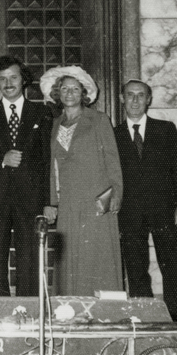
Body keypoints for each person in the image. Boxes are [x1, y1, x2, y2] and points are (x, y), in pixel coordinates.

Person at [0, 56, 53, 297]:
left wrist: (49, 201)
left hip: (32, 197)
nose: (8, 83)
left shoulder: (42, 112)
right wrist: (0, 159)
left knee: (30, 257)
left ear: (24, 80)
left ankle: (28, 313)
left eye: (13, 77)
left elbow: (49, 159)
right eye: (2, 78)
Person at [40, 66, 122, 296]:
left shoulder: (98, 119)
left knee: (98, 258)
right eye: (64, 88)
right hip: (68, 202)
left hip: (97, 198)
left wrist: (115, 193)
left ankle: (105, 315)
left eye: (75, 89)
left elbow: (112, 159)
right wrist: (53, 202)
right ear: (57, 93)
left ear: (84, 93)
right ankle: (71, 311)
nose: (69, 93)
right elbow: (53, 166)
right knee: (69, 258)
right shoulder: (55, 124)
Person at [113, 79, 177, 320]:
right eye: (130, 95)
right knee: (136, 269)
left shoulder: (165, 129)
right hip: (129, 211)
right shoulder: (112, 134)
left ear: (149, 99)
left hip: (164, 209)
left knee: (172, 268)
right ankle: (144, 321)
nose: (135, 100)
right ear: (122, 99)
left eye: (140, 95)